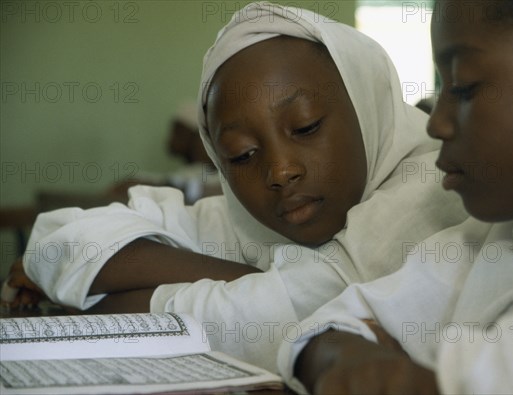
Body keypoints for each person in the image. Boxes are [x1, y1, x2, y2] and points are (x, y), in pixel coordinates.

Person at [4, 2, 468, 372]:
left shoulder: (430, 192)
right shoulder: (249, 220)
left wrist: (94, 295)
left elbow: (271, 321)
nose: (280, 170)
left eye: (305, 127)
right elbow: (53, 241)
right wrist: (252, 281)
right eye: (243, 154)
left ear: (370, 105)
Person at [277, 0, 513, 393]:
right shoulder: (495, 236)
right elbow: (323, 328)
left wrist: (407, 374)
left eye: (463, 86)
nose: (436, 122)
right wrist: (354, 360)